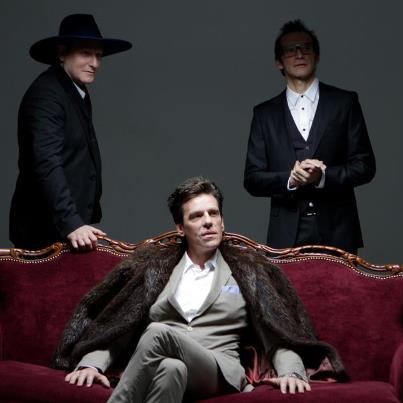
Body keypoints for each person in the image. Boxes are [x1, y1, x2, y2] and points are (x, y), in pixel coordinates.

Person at [53, 177, 347, 402]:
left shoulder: (247, 271)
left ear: (222, 221)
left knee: (157, 332)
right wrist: (92, 365)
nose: (208, 221)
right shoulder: (156, 269)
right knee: (171, 370)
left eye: (213, 214)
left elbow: (277, 332)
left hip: (218, 370)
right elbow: (119, 324)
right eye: (196, 216)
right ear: (180, 228)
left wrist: (292, 372)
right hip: (166, 365)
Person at [244, 19, 376, 254]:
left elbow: (365, 166)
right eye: (290, 49)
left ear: (317, 56)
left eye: (306, 47)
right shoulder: (264, 114)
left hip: (339, 231)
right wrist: (290, 179)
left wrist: (323, 177)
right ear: (279, 62)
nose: (299, 54)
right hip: (285, 236)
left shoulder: (344, 103)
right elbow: (252, 179)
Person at [9, 14, 132, 250]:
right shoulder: (47, 95)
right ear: (62, 53)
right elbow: (46, 162)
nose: (95, 63)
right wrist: (71, 223)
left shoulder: (73, 89)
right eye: (85, 53)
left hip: (66, 226)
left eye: (98, 55)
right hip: (44, 229)